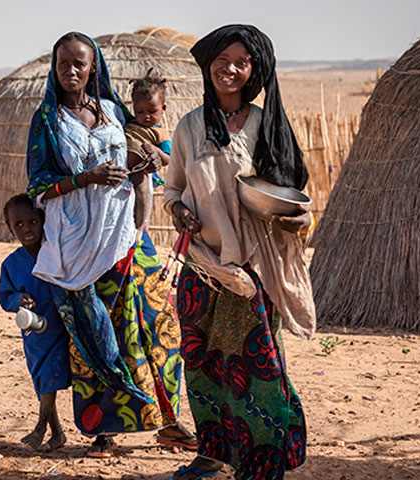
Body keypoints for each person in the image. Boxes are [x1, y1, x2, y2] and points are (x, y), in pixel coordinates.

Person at [25, 31, 195, 458]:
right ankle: (103, 431)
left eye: (79, 63)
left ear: (93, 66)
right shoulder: (46, 121)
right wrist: (84, 178)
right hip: (80, 243)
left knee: (157, 323)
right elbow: (37, 185)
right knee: (97, 334)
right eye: (63, 63)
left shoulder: (114, 111)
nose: (71, 71)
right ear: (54, 67)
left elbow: (143, 155)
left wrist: (153, 162)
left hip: (128, 234)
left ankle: (168, 422)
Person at [163, 24, 316, 479]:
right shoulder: (190, 126)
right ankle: (212, 451)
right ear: (209, 64)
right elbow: (174, 187)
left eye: (241, 62)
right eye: (222, 60)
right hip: (203, 265)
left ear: (254, 71)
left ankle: (265, 459)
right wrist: (178, 212)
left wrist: (299, 220)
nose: (230, 69)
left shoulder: (265, 124)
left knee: (257, 366)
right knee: (202, 362)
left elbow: (294, 196)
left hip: (251, 270)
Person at [0, 194, 70, 453]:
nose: (26, 228)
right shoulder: (12, 264)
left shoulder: (56, 252)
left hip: (58, 329)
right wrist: (19, 299)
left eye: (33, 221)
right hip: (33, 334)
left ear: (43, 221)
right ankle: (58, 434)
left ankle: (40, 427)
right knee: (42, 382)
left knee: (50, 379)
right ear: (10, 228)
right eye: (19, 225)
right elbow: (4, 296)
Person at [125, 68, 171, 233]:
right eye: (140, 111)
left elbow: (169, 159)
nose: (146, 116)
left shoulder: (161, 133)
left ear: (163, 108)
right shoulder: (128, 123)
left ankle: (138, 229)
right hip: (120, 172)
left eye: (152, 112)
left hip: (139, 171)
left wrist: (156, 152)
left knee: (142, 192)